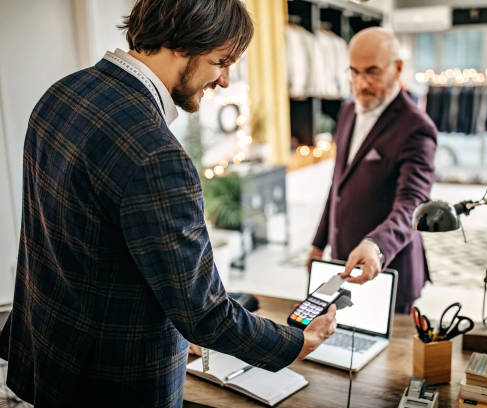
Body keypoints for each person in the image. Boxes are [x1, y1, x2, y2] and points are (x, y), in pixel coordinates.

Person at [0, 1, 335, 406]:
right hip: (115, 381)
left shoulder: (61, 94)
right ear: (179, 43)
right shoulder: (158, 155)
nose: (225, 80)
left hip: (50, 354)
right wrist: (295, 342)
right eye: (221, 61)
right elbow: (205, 314)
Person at [307, 27, 437, 313]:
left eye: (372, 72)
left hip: (392, 271)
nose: (360, 83)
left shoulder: (417, 128)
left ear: (398, 68)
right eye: (353, 72)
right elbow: (338, 185)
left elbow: (412, 204)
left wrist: (376, 245)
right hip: (344, 261)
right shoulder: (346, 112)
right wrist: (319, 243)